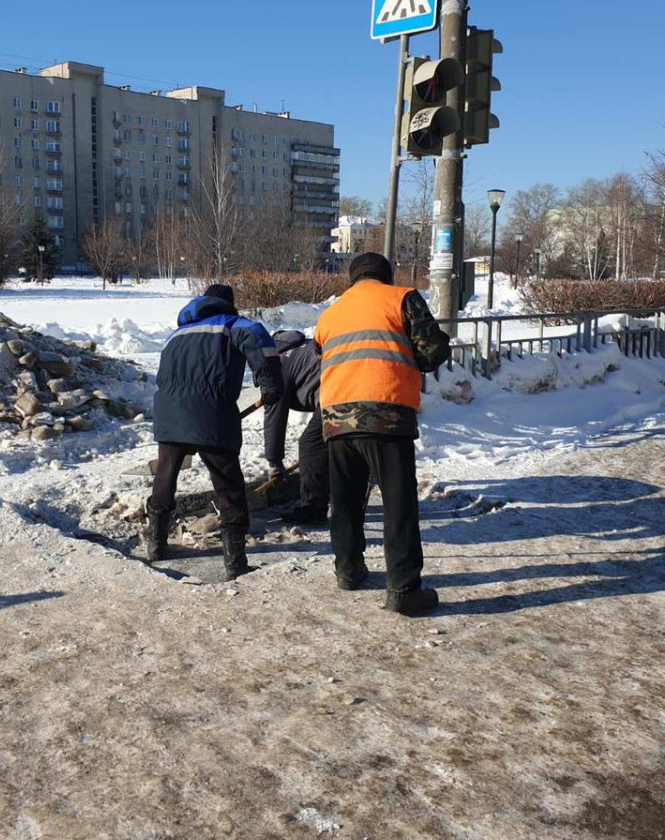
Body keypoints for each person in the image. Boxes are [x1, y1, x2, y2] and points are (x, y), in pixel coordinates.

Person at [313, 252, 450, 614]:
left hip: (337, 417)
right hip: (386, 414)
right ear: (385, 276)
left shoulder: (330, 313)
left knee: (345, 498)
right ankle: (404, 589)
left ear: (352, 278)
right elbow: (432, 352)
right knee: (398, 502)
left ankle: (348, 569)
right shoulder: (401, 298)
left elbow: (320, 354)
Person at [147, 283, 283, 580]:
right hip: (211, 413)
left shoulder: (177, 335)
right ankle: (235, 561)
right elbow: (261, 342)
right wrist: (271, 384)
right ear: (228, 304)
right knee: (227, 484)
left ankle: (155, 543)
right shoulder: (233, 325)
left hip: (168, 414)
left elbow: (162, 376)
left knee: (165, 476)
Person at [263, 330, 328, 525]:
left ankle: (312, 508)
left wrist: (274, 462)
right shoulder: (303, 350)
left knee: (310, 445)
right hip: (358, 386)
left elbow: (275, 417)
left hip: (338, 394)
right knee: (336, 443)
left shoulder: (278, 365)